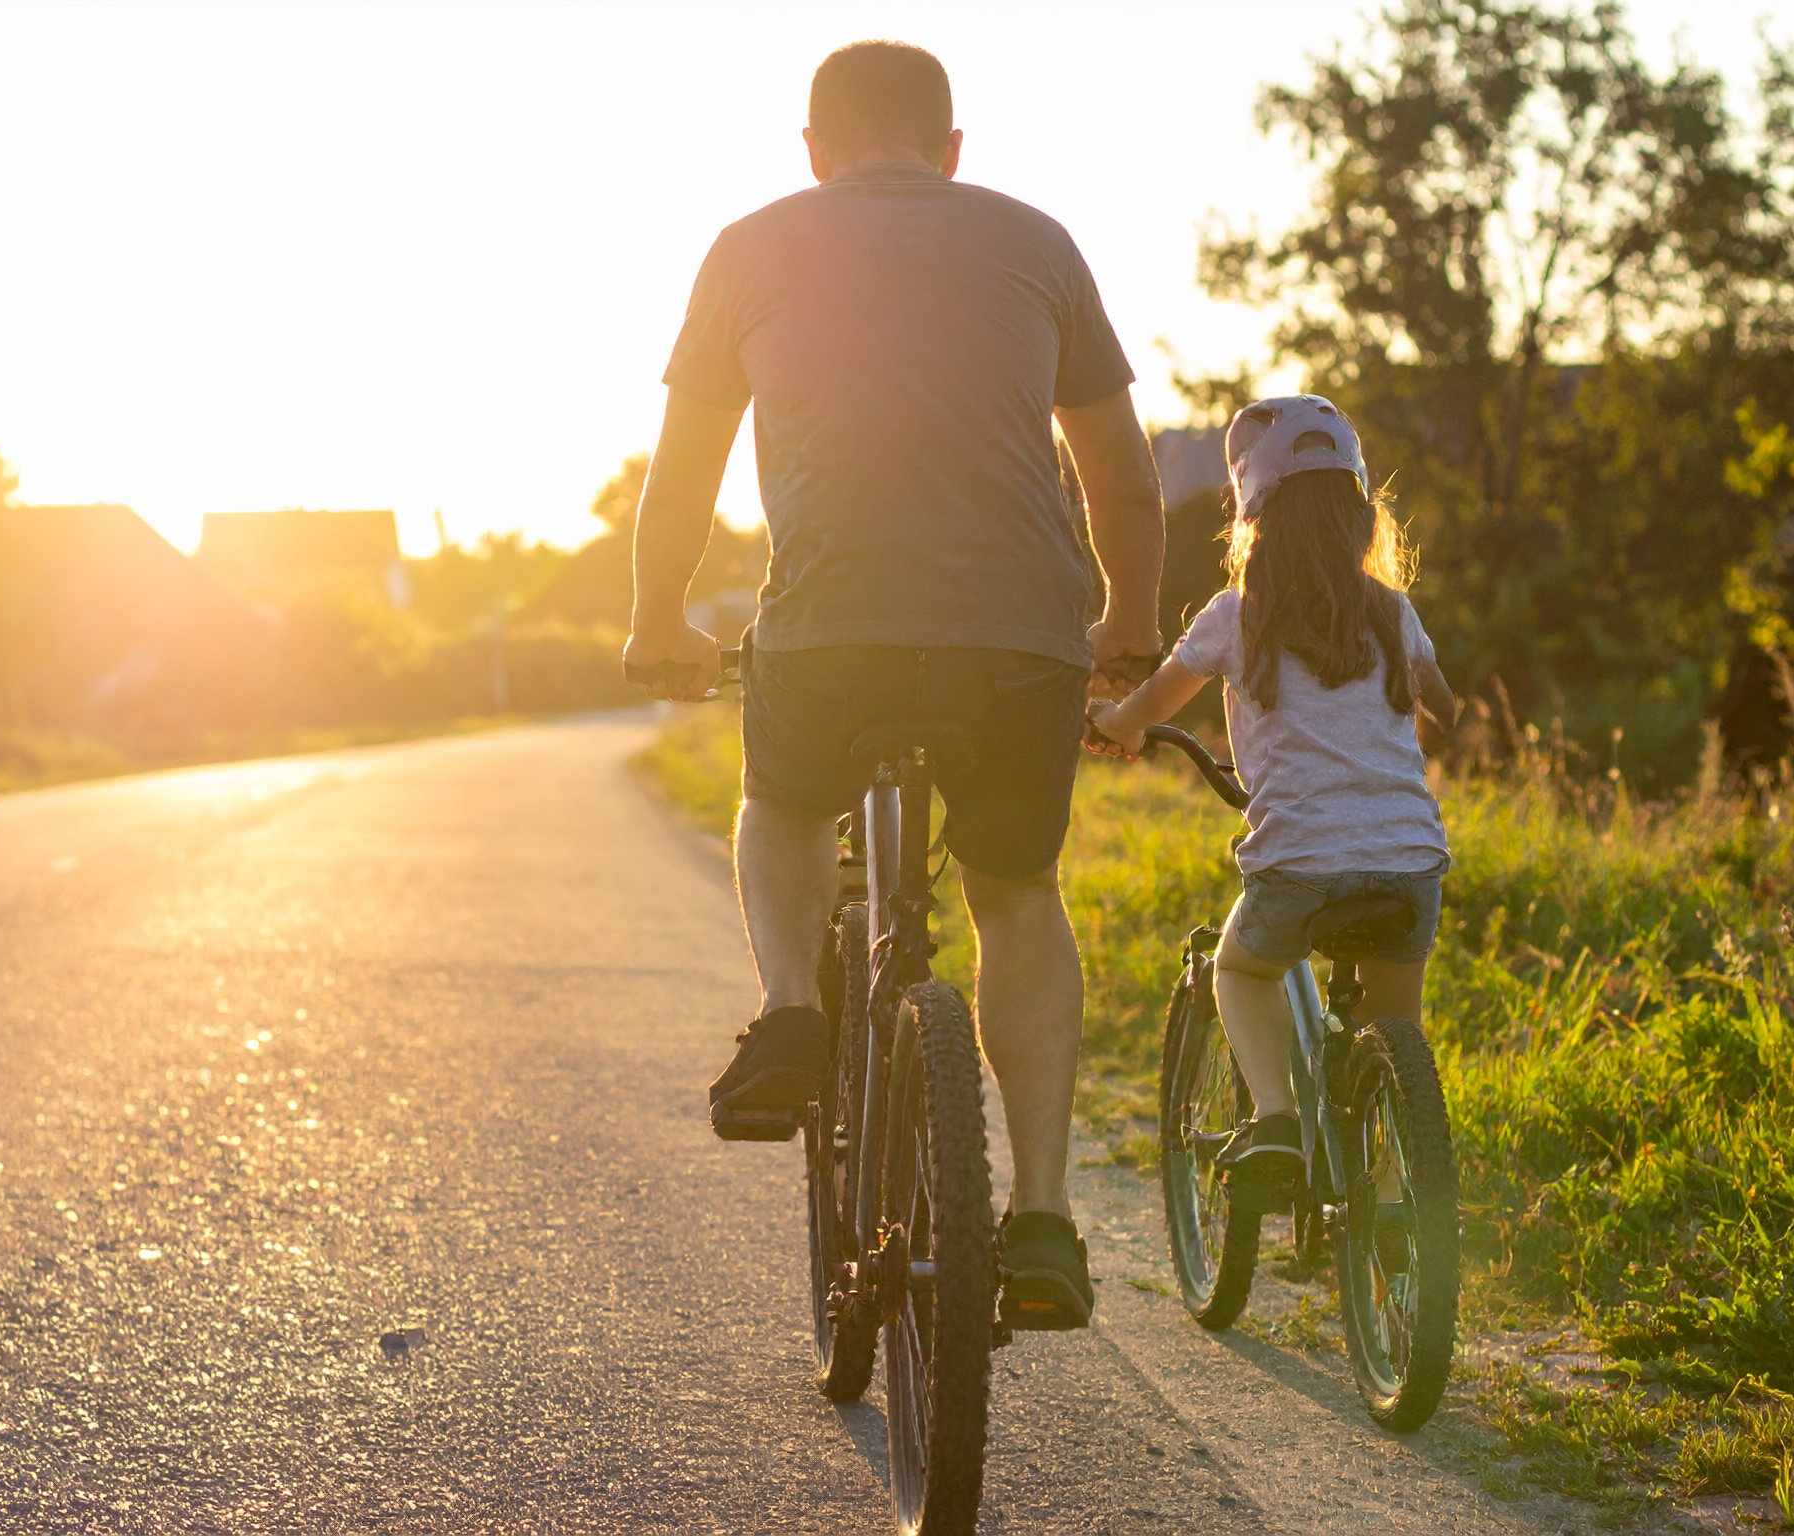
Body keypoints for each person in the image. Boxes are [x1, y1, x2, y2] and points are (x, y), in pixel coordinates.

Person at [623, 40, 1164, 1332]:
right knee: (1016, 893)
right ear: (953, 149)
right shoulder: (1036, 241)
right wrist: (1129, 627)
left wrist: (657, 621)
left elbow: (682, 474)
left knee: (784, 803)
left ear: (811, 151)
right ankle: (1038, 1219)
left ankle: (793, 1014)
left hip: (829, 635)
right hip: (1019, 640)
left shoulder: (750, 244)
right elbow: (1120, 476)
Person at [1086, 395, 1459, 1204]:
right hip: (1409, 860)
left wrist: (1115, 724)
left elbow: (1155, 704)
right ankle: (1398, 1207)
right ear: (1362, 521)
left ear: (1254, 520)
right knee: (1398, 1028)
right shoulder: (1395, 614)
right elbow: (1446, 710)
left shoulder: (1234, 617)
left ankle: (1277, 1118)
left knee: (1240, 971)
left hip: (1300, 863)